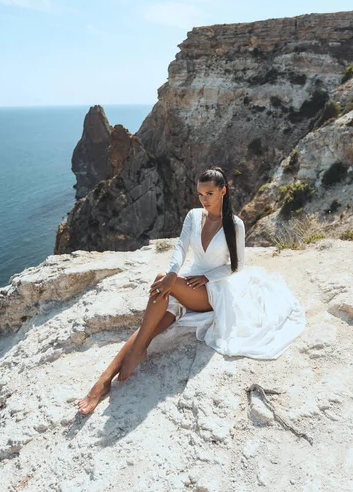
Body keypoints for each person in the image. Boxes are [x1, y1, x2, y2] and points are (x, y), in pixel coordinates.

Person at [78, 166, 306, 415]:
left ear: (223, 191)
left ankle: (137, 352)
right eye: (200, 194)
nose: (204, 200)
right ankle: (103, 381)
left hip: (214, 289)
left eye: (209, 193)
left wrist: (205, 276)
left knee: (161, 281)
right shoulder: (193, 216)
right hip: (187, 282)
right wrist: (175, 274)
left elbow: (236, 266)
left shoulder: (234, 224)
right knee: (150, 324)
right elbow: (180, 248)